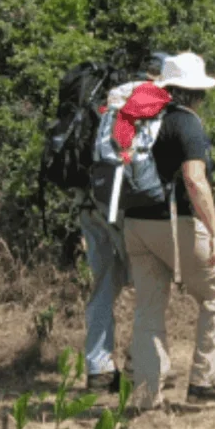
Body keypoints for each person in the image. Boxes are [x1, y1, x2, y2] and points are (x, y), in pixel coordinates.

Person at [123, 52, 215, 409]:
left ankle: (145, 395)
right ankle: (207, 381)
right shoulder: (186, 122)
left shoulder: (143, 119)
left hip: (134, 223)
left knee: (149, 308)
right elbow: (194, 179)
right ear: (194, 93)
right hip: (175, 223)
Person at [82, 52, 168, 390]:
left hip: (92, 199)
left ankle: (99, 368)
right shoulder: (154, 99)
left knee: (104, 282)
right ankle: (137, 365)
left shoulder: (111, 97)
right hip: (124, 203)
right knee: (148, 279)